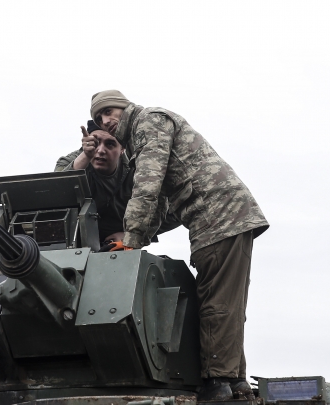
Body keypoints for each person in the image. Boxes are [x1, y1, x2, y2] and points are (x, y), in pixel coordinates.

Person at [90, 90, 269, 401]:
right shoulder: (141, 137)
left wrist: (131, 239)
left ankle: (219, 383)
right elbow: (159, 201)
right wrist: (134, 237)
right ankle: (235, 381)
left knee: (216, 302)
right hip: (222, 217)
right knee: (225, 301)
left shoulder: (149, 121)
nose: (106, 120)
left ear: (125, 106)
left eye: (110, 110)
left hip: (219, 217)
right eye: (100, 117)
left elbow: (148, 183)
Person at [55, 120, 179, 250]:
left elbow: (176, 209)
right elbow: (56, 193)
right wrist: (85, 156)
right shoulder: (69, 162)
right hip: (73, 245)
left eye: (110, 144)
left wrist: (132, 236)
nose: (101, 150)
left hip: (120, 246)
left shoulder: (140, 169)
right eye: (95, 143)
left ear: (122, 149)